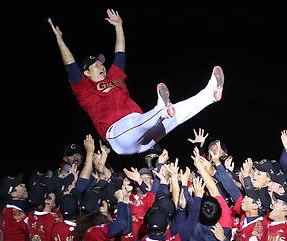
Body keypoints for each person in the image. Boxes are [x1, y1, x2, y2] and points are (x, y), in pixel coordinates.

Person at [47, 9, 224, 156]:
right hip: (119, 136)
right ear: (86, 72)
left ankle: (210, 94)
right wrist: (60, 40)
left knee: (177, 114)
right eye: (95, 65)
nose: (101, 65)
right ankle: (160, 109)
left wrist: (118, 27)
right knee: (148, 117)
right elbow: (70, 66)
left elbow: (120, 53)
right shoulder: (85, 89)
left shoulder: (114, 77)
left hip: (144, 135)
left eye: (101, 62)